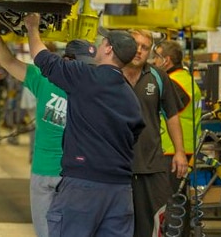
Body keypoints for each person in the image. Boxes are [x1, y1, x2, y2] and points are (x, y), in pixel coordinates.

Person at [22, 13, 144, 237]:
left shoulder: (86, 77)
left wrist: (32, 28)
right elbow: (134, 134)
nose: (99, 44)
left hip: (83, 187)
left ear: (108, 50)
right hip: (120, 191)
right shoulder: (131, 97)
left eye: (103, 41)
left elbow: (44, 60)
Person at [0, 15, 98, 237]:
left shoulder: (91, 87)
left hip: (73, 175)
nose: (85, 70)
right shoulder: (44, 79)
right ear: (66, 60)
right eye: (81, 64)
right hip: (47, 172)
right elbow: (7, 61)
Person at [123, 30, 188, 237]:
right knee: (119, 222)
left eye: (145, 47)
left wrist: (179, 151)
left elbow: (172, 116)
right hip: (117, 165)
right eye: (136, 45)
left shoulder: (158, 77)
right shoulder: (110, 73)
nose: (139, 51)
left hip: (151, 163)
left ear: (150, 52)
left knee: (157, 222)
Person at [153, 39, 202, 189]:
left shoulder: (172, 83)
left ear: (166, 61)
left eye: (156, 57)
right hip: (182, 149)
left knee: (170, 202)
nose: (153, 62)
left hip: (172, 151)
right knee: (178, 200)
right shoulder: (185, 79)